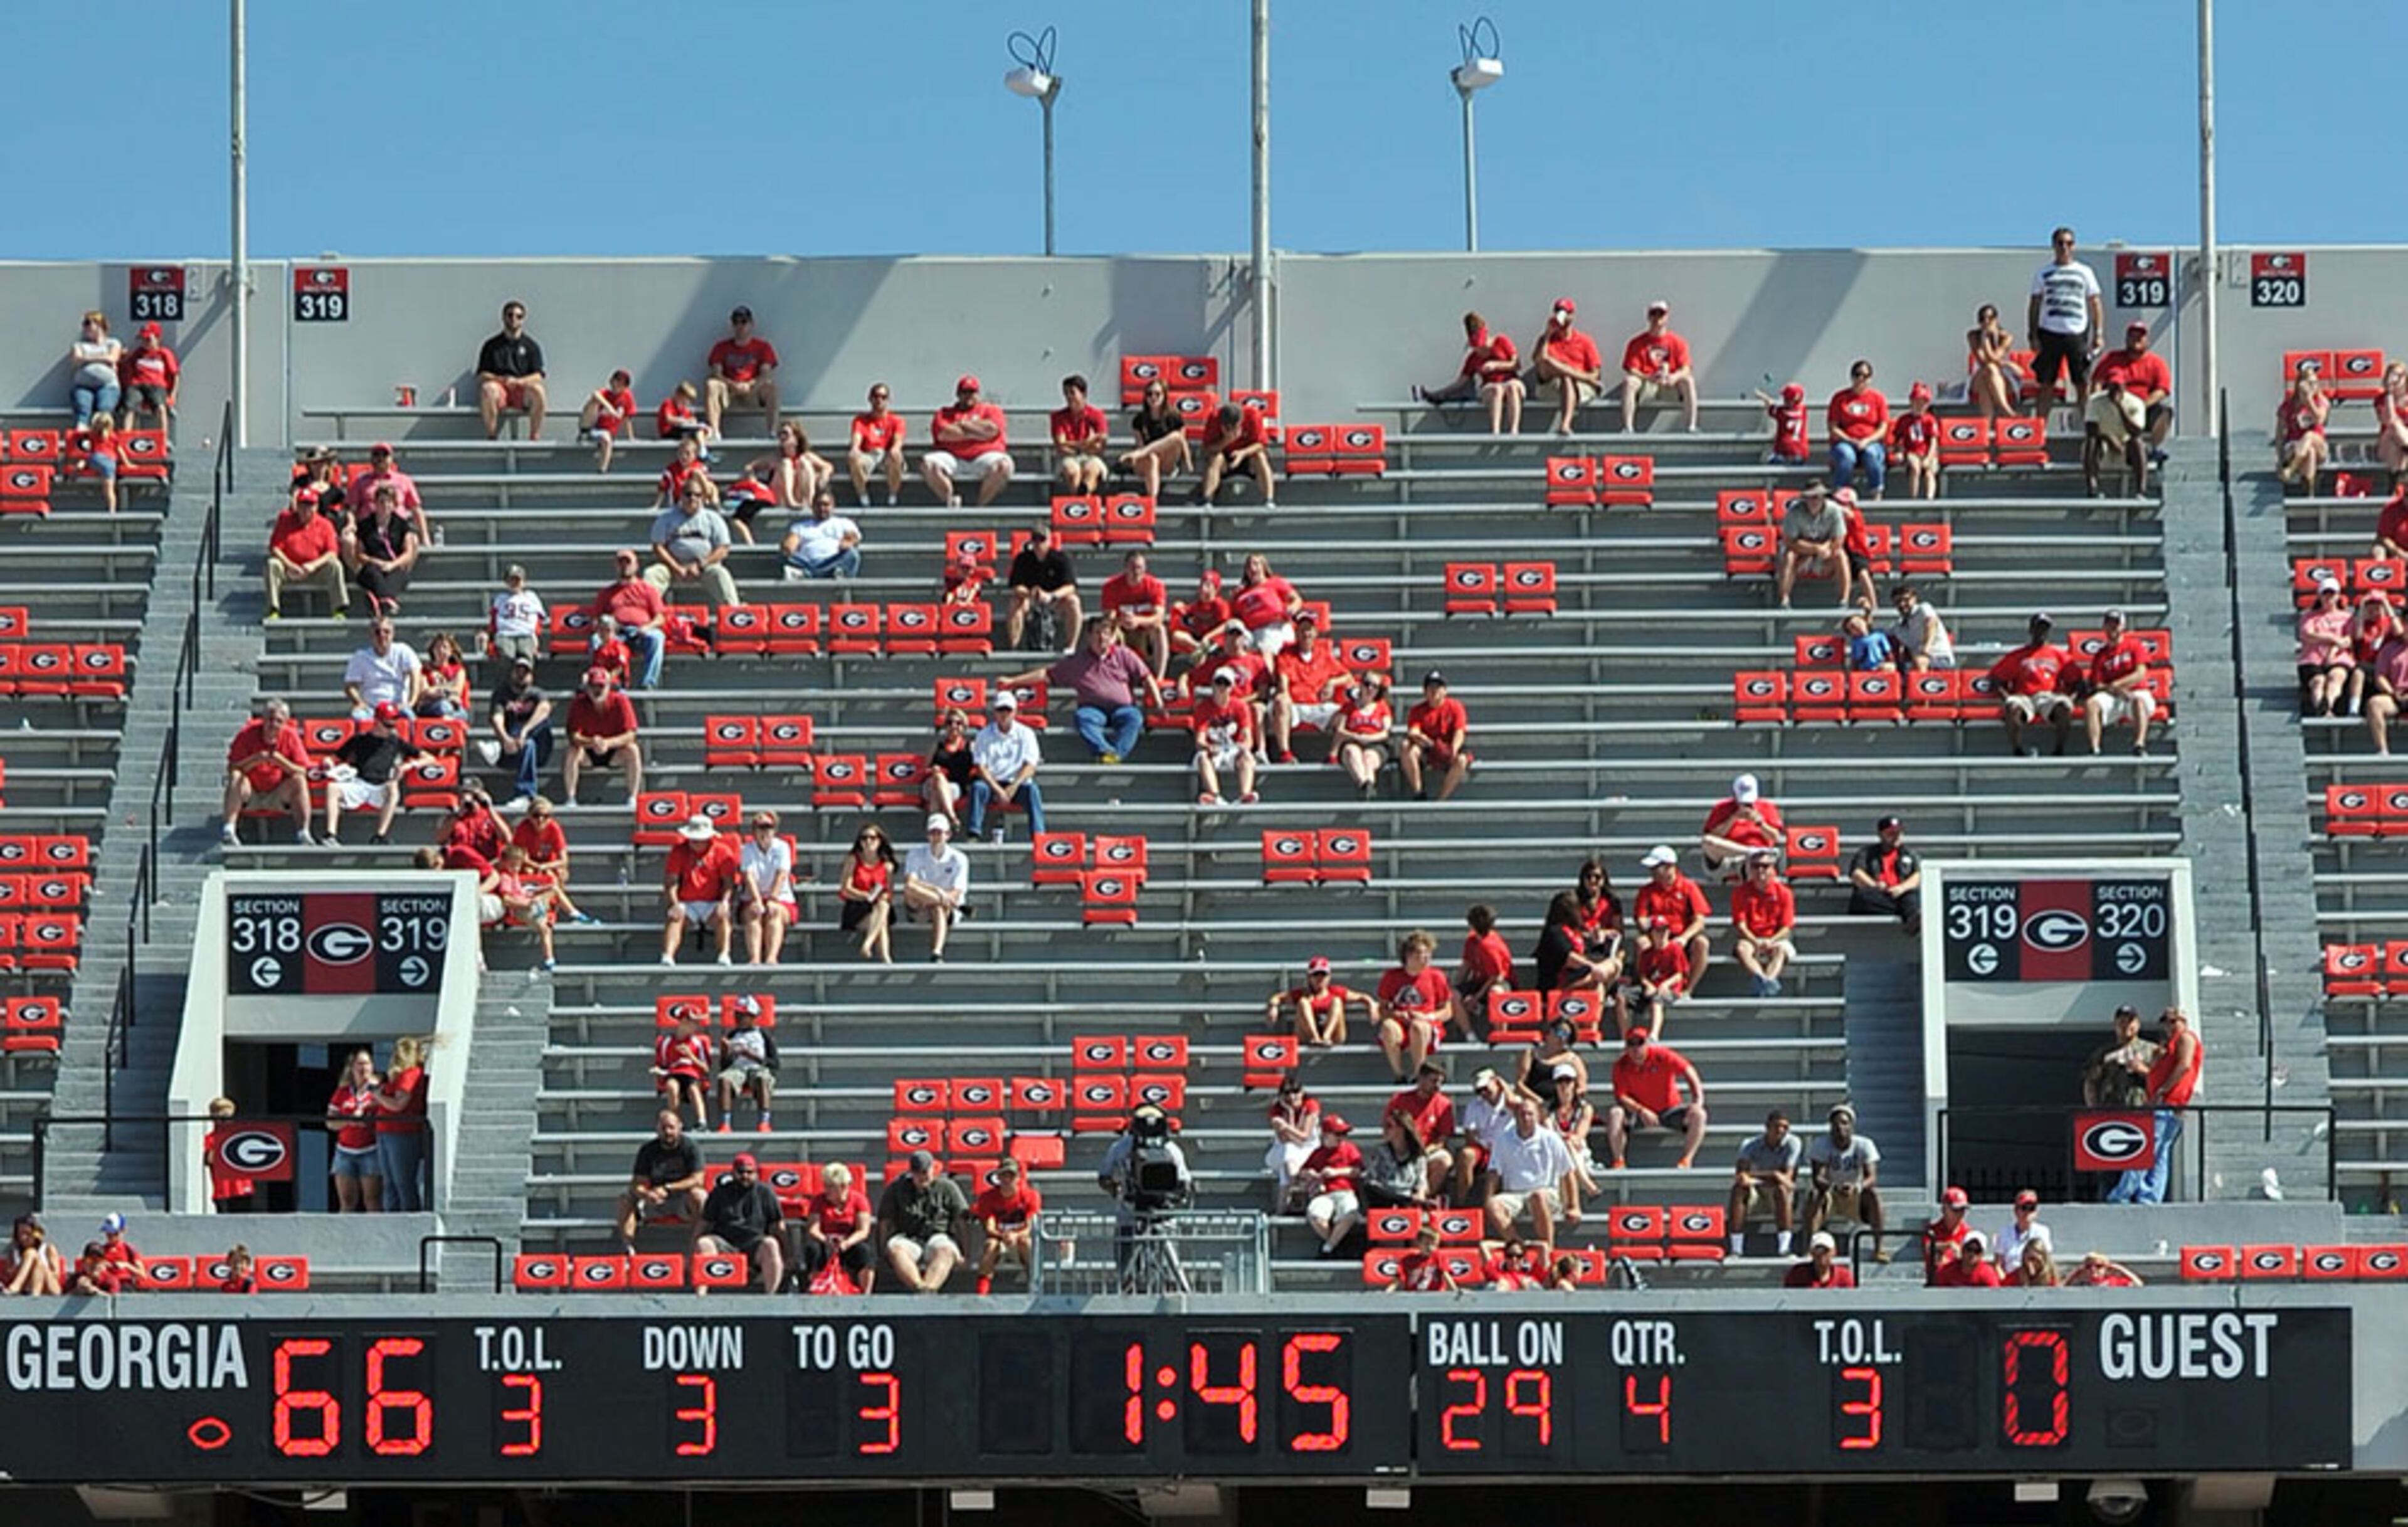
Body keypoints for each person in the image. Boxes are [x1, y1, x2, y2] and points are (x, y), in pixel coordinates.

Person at [1004, 618, 1161, 765]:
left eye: (1106, 633)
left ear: (1113, 636)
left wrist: (1159, 705)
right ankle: (1105, 752)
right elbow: (1047, 674)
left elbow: (1147, 677)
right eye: (1097, 633)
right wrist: (1013, 681)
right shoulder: (1078, 661)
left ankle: (1116, 756)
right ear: (1089, 637)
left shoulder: (1125, 655)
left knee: (1134, 718)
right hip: (1093, 709)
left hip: (1123, 709)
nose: (1102, 638)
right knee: (1083, 717)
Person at [2106, 1008, 2202, 1206]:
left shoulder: (2185, 1038)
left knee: (2146, 1148)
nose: (2169, 1026)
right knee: (2159, 1153)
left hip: (2168, 1102)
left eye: (2173, 1021)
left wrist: (2162, 1090)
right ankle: (2150, 1196)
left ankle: (2122, 1193)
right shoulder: (2168, 1046)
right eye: (2166, 1022)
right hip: (2165, 1103)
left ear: (2183, 1021)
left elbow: (2184, 1065)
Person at [1602, 1027, 1708, 1170]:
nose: (1636, 1049)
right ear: (1626, 1047)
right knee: (1615, 1113)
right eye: (1632, 1044)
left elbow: (1689, 1071)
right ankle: (1619, 1160)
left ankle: (1686, 1160)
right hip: (1639, 1113)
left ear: (1647, 1044)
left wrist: (1698, 1101)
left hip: (1670, 1109)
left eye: (1640, 1043)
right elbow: (1621, 1097)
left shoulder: (1662, 1055)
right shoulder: (1621, 1066)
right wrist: (1641, 1110)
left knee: (1699, 1115)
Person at [2088, 322, 2175, 493]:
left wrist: (2142, 405)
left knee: (2165, 412)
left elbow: (2163, 390)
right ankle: (2092, 486)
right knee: (2092, 434)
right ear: (2126, 338)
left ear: (2147, 340)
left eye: (2140, 336)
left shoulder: (2156, 363)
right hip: (2112, 406)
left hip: (2140, 408)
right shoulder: (2112, 359)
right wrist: (2098, 400)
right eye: (2133, 336)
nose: (2136, 340)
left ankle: (2152, 448)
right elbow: (2097, 381)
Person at [321, 702, 425, 845]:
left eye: (394, 724)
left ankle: (380, 835)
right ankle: (330, 834)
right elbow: (335, 757)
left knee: (393, 788)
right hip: (359, 783)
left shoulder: (396, 742)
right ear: (377, 722)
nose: (392, 728)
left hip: (381, 786)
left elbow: (428, 758)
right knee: (332, 788)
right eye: (388, 725)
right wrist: (329, 762)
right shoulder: (359, 739)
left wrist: (410, 765)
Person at [2027, 226, 2104, 416]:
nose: (2064, 248)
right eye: (2060, 243)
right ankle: (2041, 429)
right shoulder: (2044, 273)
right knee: (2047, 384)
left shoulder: (2084, 272)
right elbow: (2035, 304)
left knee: (2081, 383)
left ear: (2074, 246)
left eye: (2069, 243)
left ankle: (2086, 428)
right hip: (2049, 332)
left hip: (2076, 333)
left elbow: (2095, 303)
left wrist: (2099, 333)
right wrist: (2033, 334)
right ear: (2053, 246)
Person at [220, 697, 314, 847]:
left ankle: (304, 833)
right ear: (263, 719)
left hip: (278, 792)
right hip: (250, 792)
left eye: (278, 721)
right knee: (236, 776)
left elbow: (303, 770)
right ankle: (229, 830)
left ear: (285, 722)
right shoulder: (247, 734)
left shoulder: (290, 736)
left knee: (299, 781)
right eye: (270, 720)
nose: (273, 725)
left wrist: (281, 762)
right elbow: (232, 766)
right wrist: (255, 760)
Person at [1485, 1094, 1577, 1246]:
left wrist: (1574, 1206)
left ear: (1538, 1116)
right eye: (1522, 1114)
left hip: (1546, 1193)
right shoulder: (1503, 1139)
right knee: (1493, 1205)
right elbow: (1494, 1172)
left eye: (1530, 1114)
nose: (1526, 1118)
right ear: (1515, 1116)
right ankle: (1517, 1246)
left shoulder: (1551, 1139)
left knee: (1538, 1197)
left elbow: (1568, 1171)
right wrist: (1488, 1200)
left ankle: (1547, 1251)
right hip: (1515, 1195)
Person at [615, 1111, 709, 1254]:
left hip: (682, 1201)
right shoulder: (648, 1150)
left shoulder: (691, 1147)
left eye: (671, 1127)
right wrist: (646, 1194)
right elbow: (637, 1183)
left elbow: (698, 1179)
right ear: (657, 1129)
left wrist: (668, 1188)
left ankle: (696, 1248)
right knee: (625, 1199)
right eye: (664, 1128)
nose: (668, 1132)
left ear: (680, 1127)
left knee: (700, 1196)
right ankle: (628, 1249)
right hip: (655, 1201)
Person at [1415, 310, 1524, 433]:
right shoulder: (1473, 358)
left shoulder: (1502, 342)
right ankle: (1495, 431)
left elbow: (1517, 364)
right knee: (1496, 390)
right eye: (1475, 347)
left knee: (1512, 387)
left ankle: (1514, 430)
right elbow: (1461, 381)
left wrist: (1496, 366)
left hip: (1510, 381)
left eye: (1481, 346)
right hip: (1491, 386)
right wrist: (1439, 394)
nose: (1479, 350)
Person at [879, 1149, 971, 1293]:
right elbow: (884, 1221)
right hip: (907, 1236)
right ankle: (919, 1288)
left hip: (938, 1236)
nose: (922, 1177)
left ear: (932, 1168)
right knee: (896, 1250)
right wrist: (882, 1252)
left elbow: (961, 1221)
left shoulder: (947, 1188)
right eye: (917, 1173)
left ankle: (929, 1290)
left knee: (946, 1251)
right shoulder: (897, 1188)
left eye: (925, 1172)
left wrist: (965, 1253)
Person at [694, 1153, 785, 1293]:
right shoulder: (719, 1192)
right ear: (733, 1172)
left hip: (754, 1243)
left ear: (756, 1173)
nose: (746, 1176)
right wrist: (691, 1248)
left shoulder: (766, 1193)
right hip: (724, 1242)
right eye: (741, 1172)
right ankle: (701, 1297)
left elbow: (778, 1225)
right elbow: (705, 1223)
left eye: (750, 1172)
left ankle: (771, 1297)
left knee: (771, 1244)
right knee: (704, 1243)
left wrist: (788, 1254)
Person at [1805, 1104, 1886, 1262]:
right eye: (1836, 1124)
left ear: (1852, 1126)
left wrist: (1857, 1186)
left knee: (1874, 1195)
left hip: (1855, 1193)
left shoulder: (1864, 1144)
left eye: (1844, 1123)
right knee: (1814, 1195)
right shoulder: (1821, 1144)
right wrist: (1834, 1187)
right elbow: (1818, 1177)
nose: (1840, 1127)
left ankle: (1879, 1249)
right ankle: (1809, 1249)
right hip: (1830, 1193)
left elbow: (1872, 1177)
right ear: (1830, 1127)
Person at [1988, 612, 2076, 757]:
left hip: (2049, 696)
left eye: (2044, 629)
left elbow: (2077, 682)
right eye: (2038, 628)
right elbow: (1996, 679)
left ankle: (2059, 751)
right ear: (2031, 630)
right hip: (2024, 696)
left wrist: (2071, 699)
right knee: (2012, 708)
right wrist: (2006, 697)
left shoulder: (2060, 656)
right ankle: (2017, 750)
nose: (2041, 632)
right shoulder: (2018, 656)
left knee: (2064, 708)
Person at [648, 475, 741, 608]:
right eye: (688, 494)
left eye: (698, 495)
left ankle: (734, 614)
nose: (693, 498)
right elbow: (658, 547)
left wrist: (701, 565)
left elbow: (723, 548)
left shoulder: (713, 519)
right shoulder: (666, 518)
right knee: (652, 574)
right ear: (681, 496)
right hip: (673, 567)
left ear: (703, 498)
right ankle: (645, 614)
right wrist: (677, 567)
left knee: (721, 574)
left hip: (705, 566)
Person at [1269, 611, 1350, 763]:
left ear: (1315, 633)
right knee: (1281, 700)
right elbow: (1283, 680)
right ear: (1296, 633)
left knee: (1346, 711)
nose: (1306, 634)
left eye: (1309, 630)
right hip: (1296, 706)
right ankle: (1285, 752)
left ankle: (1333, 754)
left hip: (1318, 705)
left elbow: (1347, 676)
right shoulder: (1286, 654)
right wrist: (1285, 693)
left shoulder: (1324, 655)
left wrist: (1332, 683)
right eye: (1302, 630)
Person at [1376, 931, 1456, 1080]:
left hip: (1426, 1024)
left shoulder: (1436, 976)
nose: (1425, 958)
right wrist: (1396, 1015)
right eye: (1420, 953)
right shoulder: (1392, 977)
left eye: (1428, 953)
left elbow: (1448, 1010)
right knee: (1388, 1026)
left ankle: (1420, 1073)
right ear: (1408, 955)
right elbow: (1382, 1009)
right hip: (1401, 1022)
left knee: (1418, 1027)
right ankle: (1398, 1074)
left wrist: (1428, 1016)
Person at [662, 815, 740, 967]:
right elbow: (671, 882)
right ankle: (668, 955)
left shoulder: (722, 852)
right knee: (675, 918)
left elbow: (728, 884)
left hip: (713, 901)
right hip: (686, 901)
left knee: (723, 916)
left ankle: (724, 953)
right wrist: (675, 903)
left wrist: (725, 902)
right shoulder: (678, 851)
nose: (695, 842)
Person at [966, 690, 1045, 840]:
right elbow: (981, 767)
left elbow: (1030, 766)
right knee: (978, 788)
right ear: (995, 712)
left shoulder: (1026, 734)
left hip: (1017, 784)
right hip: (992, 784)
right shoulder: (983, 735)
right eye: (1000, 710)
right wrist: (998, 790)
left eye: (1008, 710)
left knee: (1032, 791)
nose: (1004, 714)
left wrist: (1013, 787)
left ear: (1015, 712)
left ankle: (1038, 837)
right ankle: (973, 834)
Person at [924, 374, 1013, 507]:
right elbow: (944, 434)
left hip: (984, 457)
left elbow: (992, 430)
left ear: (978, 394)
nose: (969, 396)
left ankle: (980, 506)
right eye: (965, 392)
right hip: (952, 457)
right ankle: (950, 501)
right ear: (958, 395)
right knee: (928, 464)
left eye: (972, 392)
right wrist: (979, 433)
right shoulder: (944, 413)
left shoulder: (992, 410)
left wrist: (963, 425)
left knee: (1004, 466)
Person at [561, 666, 644, 805]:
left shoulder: (621, 701)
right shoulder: (579, 703)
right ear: (587, 687)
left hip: (615, 750)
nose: (597, 690)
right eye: (593, 686)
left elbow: (631, 734)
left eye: (601, 686)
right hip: (588, 750)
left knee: (633, 750)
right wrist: (591, 742)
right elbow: (572, 735)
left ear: (609, 687)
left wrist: (608, 743)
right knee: (571, 752)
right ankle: (571, 798)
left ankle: (632, 797)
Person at [1634, 843, 1714, 986]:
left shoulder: (1689, 887)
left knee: (1702, 943)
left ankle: (1688, 989)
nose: (1651, 872)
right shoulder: (1647, 891)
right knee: (1642, 943)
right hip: (1657, 935)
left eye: (1655, 868)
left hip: (1682, 936)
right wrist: (1655, 932)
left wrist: (1684, 938)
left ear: (1670, 867)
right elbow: (1641, 919)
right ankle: (1648, 985)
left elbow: (1700, 920)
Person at [589, 549, 671, 690]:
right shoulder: (606, 593)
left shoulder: (648, 590)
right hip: (616, 634)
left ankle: (648, 683)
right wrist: (606, 630)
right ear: (616, 566)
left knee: (657, 637)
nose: (624, 566)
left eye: (628, 562)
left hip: (640, 633)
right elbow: (595, 620)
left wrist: (648, 627)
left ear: (636, 565)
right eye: (621, 562)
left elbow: (661, 617)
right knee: (596, 639)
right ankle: (600, 681)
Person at [265, 487, 347, 620]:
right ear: (297, 506)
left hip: (316, 571)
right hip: (290, 571)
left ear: (316, 507)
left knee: (335, 566)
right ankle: (273, 609)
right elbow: (275, 548)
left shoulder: (325, 524)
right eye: (303, 505)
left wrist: (313, 565)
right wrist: (290, 565)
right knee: (272, 564)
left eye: (310, 506)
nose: (306, 510)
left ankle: (339, 609)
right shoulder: (285, 519)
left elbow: (332, 552)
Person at [2083, 607, 2157, 755]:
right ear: (2104, 627)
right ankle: (2095, 749)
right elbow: (2097, 683)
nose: (2113, 629)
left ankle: (2139, 745)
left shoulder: (2135, 646)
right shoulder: (2101, 655)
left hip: (2136, 690)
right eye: (2109, 624)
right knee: (2091, 704)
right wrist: (2115, 689)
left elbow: (2140, 674)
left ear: (2123, 627)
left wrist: (2118, 685)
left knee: (2138, 701)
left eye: (2116, 624)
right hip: (2112, 695)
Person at [1728, 1111, 1802, 1256]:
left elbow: (1787, 1180)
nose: (1781, 1131)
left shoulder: (1793, 1143)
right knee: (1738, 1190)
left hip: (1779, 1193)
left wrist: (1755, 1176)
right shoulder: (1750, 1144)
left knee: (1782, 1189)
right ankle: (1736, 1249)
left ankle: (1785, 1248)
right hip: (1758, 1191)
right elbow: (1741, 1176)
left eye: (1785, 1127)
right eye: (1777, 1126)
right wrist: (1774, 1174)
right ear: (1767, 1127)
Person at [483, 656, 553, 806]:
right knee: (528, 745)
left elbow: (545, 708)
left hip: (540, 751)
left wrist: (524, 731)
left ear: (531, 676)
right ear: (512, 673)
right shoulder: (502, 693)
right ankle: (526, 795)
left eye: (525, 672)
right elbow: (497, 718)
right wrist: (505, 739)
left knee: (542, 723)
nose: (521, 675)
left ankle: (497, 749)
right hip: (511, 750)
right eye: (518, 671)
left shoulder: (537, 693)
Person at [1619, 300, 1698, 433]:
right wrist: (1648, 377)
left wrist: (1674, 377)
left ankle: (1691, 427)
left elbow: (1686, 368)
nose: (1657, 318)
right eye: (1654, 314)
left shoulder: (1677, 342)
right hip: (1647, 385)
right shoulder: (1637, 343)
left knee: (1688, 381)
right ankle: (1628, 428)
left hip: (1670, 385)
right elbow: (1631, 369)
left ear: (1667, 317)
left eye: (1661, 314)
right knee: (1629, 381)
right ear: (1648, 317)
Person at [374, 1036, 433, 1212]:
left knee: (402, 1181)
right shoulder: (401, 1076)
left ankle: (409, 1216)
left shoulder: (410, 1074)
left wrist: (378, 1096)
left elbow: (400, 1104)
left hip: (401, 1133)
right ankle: (392, 1217)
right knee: (390, 1182)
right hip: (386, 1131)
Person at [798, 1161, 877, 1293]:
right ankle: (817, 1289)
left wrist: (847, 1243)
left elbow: (863, 1231)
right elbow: (813, 1229)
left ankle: (866, 1293)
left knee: (865, 1253)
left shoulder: (859, 1200)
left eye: (831, 1187)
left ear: (843, 1187)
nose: (826, 1190)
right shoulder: (819, 1201)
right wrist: (825, 1240)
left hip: (849, 1242)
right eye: (826, 1186)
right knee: (813, 1250)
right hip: (826, 1241)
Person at [901, 814, 970, 963]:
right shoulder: (915, 854)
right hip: (921, 904)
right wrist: (938, 892)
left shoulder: (959, 858)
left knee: (939, 907)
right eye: (933, 833)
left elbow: (957, 892)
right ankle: (937, 952)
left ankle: (936, 952)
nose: (936, 837)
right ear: (927, 835)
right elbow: (910, 883)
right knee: (910, 889)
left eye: (940, 833)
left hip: (945, 906)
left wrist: (937, 897)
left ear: (948, 835)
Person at [475, 300, 548, 439]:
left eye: (519, 316)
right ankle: (492, 436)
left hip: (522, 390)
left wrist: (519, 381)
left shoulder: (531, 346)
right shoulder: (491, 345)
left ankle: (534, 436)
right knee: (488, 389)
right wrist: (501, 380)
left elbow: (539, 375)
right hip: (500, 390)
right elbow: (482, 375)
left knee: (539, 390)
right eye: (510, 315)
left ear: (523, 320)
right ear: (503, 317)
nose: (514, 319)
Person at [703, 306, 780, 437]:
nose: (740, 326)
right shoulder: (721, 347)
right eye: (736, 322)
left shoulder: (763, 347)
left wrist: (750, 384)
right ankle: (715, 432)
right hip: (729, 391)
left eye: (744, 322)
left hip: (753, 391)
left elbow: (765, 373)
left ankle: (772, 432)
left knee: (771, 387)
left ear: (751, 324)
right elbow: (716, 373)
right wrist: (734, 385)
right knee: (711, 385)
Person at [1730, 850, 1798, 998]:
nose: (1761, 870)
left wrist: (1771, 941)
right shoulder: (1740, 892)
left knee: (1780, 951)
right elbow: (1741, 925)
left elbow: (1786, 927)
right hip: (1751, 938)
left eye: (1765, 866)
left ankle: (1765, 984)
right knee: (1743, 948)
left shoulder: (1784, 893)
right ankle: (1765, 981)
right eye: (1756, 866)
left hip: (1776, 938)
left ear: (1773, 869)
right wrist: (1755, 941)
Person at [971, 1156, 1044, 1295]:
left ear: (1018, 1178)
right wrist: (1003, 1236)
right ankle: (982, 1292)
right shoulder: (988, 1198)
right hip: (1001, 1239)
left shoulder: (1030, 1196)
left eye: (1011, 1176)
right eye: (1004, 1175)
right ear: (998, 1177)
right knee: (991, 1245)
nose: (1007, 1180)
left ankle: (1034, 1283)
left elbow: (1030, 1227)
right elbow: (990, 1227)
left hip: (1020, 1239)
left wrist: (1015, 1235)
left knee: (1026, 1243)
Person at [1295, 1116, 1366, 1256]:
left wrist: (1336, 1172)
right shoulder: (1318, 1153)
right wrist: (1310, 1173)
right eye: (1338, 1134)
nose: (1342, 1138)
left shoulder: (1349, 1149)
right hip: (1324, 1193)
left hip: (1345, 1191)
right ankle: (1337, 1245)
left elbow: (1358, 1171)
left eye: (1344, 1134)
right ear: (1326, 1135)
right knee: (1316, 1215)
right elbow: (1302, 1172)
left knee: (1350, 1213)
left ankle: (1328, 1248)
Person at [1005, 522, 1082, 653]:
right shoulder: (1022, 559)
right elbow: (1016, 586)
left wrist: (1052, 595)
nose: (1038, 544)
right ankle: (1014, 646)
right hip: (1031, 599)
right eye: (1035, 539)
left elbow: (1070, 586)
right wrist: (1030, 594)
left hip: (1054, 600)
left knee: (1073, 602)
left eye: (1042, 539)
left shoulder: (1061, 559)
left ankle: (1071, 646)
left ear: (1050, 540)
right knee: (1015, 603)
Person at [1531, 298, 1603, 435]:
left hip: (1580, 387)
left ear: (1572, 316)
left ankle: (1565, 425)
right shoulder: (1546, 340)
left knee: (1566, 378)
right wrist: (1548, 335)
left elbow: (1595, 374)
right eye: (1558, 312)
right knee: (1551, 365)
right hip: (1551, 386)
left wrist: (1582, 378)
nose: (1562, 316)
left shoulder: (1584, 341)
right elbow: (1540, 363)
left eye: (1566, 312)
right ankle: (1565, 424)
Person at [1190, 665, 1260, 806]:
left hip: (1233, 750)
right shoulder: (1203, 708)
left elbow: (1248, 737)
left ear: (1232, 687)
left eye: (1226, 684)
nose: (1222, 687)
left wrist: (1243, 747)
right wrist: (1209, 747)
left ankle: (1245, 795)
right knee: (1203, 757)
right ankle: (1214, 795)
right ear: (1213, 685)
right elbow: (1200, 740)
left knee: (1247, 756)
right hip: (1214, 751)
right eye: (1219, 682)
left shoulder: (1240, 707)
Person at [1776, 480, 1852, 610]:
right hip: (1801, 553)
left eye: (1817, 497)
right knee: (1789, 556)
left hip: (1826, 553)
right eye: (1810, 497)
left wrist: (1826, 548)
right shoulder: (1794, 512)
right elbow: (1789, 541)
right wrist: (1814, 549)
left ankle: (1844, 600)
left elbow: (1839, 539)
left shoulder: (1834, 511)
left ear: (1823, 498)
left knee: (1841, 555)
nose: (1814, 501)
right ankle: (1784, 599)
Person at [1384, 1061, 1460, 1191]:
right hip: (1402, 1150)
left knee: (1444, 1160)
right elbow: (1388, 1129)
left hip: (1428, 1151)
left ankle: (1424, 1197)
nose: (1438, 1086)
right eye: (1434, 1081)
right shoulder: (1400, 1100)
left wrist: (1425, 1152)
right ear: (1421, 1079)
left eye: (1441, 1082)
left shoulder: (1444, 1104)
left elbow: (1442, 1138)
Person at [1400, 670, 1473, 802]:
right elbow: (1414, 732)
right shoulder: (1417, 710)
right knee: (1407, 747)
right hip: (1428, 748)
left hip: (1449, 745)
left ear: (1445, 690)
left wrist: (1453, 750)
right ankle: (1419, 791)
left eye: (1438, 687)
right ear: (1425, 691)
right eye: (1430, 688)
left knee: (1462, 760)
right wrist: (1429, 743)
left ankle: (1441, 799)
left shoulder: (1455, 707)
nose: (1434, 691)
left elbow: (1459, 731)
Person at [1097, 549, 1171, 679]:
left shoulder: (1155, 586)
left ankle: (1159, 678)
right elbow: (1109, 616)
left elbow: (1159, 616)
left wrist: (1138, 621)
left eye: (1140, 568)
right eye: (1132, 568)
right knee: (1108, 632)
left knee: (1160, 629)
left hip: (1145, 630)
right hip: (1122, 629)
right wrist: (1122, 621)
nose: (1136, 572)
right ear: (1125, 568)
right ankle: (1110, 676)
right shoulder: (1111, 586)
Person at [325, 1049, 384, 1212]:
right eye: (359, 1064)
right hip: (345, 1151)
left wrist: (367, 1116)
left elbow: (386, 1113)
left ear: (372, 1067)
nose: (363, 1068)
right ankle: (343, 1236)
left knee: (372, 1200)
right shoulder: (343, 1092)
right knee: (347, 1200)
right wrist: (350, 1120)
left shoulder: (379, 1091)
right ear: (352, 1068)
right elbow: (330, 1123)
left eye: (367, 1064)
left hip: (371, 1150)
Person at [1267, 954, 1368, 1049]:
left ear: (1329, 977)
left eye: (1323, 975)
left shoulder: (1336, 991)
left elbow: (1361, 997)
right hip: (1307, 1035)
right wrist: (1273, 1007)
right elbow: (1278, 997)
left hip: (1334, 1036)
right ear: (1309, 977)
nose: (1320, 979)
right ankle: (1315, 1037)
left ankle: (1326, 1037)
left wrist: (1371, 1004)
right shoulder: (1302, 993)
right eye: (1316, 975)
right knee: (1303, 1003)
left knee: (1337, 1001)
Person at [737, 811, 798, 966]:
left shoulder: (782, 847)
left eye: (768, 827)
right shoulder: (747, 849)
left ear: (774, 829)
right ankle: (755, 958)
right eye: (760, 827)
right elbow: (748, 877)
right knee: (753, 912)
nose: (764, 831)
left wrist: (772, 899)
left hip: (781, 898)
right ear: (754, 830)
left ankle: (772, 957)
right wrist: (758, 900)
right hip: (754, 896)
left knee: (775, 912)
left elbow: (782, 875)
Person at [1119, 376, 1194, 499]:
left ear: (1164, 396)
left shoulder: (1174, 417)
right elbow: (1140, 446)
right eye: (1150, 394)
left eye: (1157, 394)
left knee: (1176, 437)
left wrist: (1188, 464)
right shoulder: (1139, 420)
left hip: (1167, 461)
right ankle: (1152, 500)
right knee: (1152, 458)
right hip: (1147, 462)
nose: (1153, 398)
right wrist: (1142, 454)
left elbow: (1181, 442)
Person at [1846, 815, 1921, 933]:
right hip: (1880, 896)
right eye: (1891, 834)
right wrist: (1875, 885)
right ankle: (1907, 913)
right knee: (1862, 898)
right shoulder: (1867, 853)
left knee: (1911, 896)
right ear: (1881, 835)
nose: (1896, 837)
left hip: (1900, 895)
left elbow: (1917, 876)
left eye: (1899, 834)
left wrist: (1901, 888)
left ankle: (1912, 918)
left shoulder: (1909, 854)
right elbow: (1857, 874)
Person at [1827, 360, 1890, 500]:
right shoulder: (1840, 398)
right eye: (1857, 375)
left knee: (1872, 454)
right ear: (1852, 377)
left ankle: (1876, 492)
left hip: (1871, 441)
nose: (1861, 379)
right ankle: (1840, 493)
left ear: (1870, 379)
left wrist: (1867, 440)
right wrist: (1850, 440)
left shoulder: (1878, 399)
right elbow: (1833, 428)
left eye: (1865, 376)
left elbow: (1883, 428)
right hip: (1845, 441)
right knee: (1846, 455)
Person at [1531, 890, 1613, 997]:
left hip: (1577, 976)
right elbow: (1569, 958)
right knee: (1596, 981)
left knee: (1612, 966)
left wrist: (1597, 942)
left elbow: (1588, 953)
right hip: (1558, 984)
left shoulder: (1575, 932)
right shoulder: (1554, 932)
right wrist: (1594, 967)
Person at [1700, 770, 1785, 872]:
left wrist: (1760, 823)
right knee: (1708, 841)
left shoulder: (1767, 807)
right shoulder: (1721, 808)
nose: (1746, 806)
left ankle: (1752, 856)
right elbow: (1714, 836)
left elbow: (1775, 837)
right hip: (1729, 857)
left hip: (1760, 859)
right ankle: (1750, 852)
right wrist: (1733, 819)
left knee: (1757, 865)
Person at [342, 616, 423, 721]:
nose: (382, 636)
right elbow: (350, 686)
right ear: (371, 635)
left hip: (397, 707)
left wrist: (411, 703)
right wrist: (360, 702)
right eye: (377, 632)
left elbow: (416, 675)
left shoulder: (403, 651)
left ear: (393, 634)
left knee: (409, 717)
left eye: (386, 632)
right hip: (371, 708)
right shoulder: (360, 657)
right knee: (358, 717)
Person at [1196, 403, 1275, 507]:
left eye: (1234, 427)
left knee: (1260, 456)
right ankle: (1207, 500)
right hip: (1225, 460)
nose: (1231, 430)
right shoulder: (1214, 417)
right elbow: (1206, 449)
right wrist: (1226, 441)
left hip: (1247, 457)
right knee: (1215, 459)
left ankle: (1269, 500)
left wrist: (1243, 453)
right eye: (1228, 428)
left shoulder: (1253, 415)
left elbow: (1261, 444)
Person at [1331, 673, 1395, 799]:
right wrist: (1356, 736)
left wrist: (1368, 738)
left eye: (1375, 686)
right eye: (1367, 684)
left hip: (1376, 743)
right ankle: (1365, 785)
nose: (1370, 689)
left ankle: (1367, 787)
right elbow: (1340, 730)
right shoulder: (1349, 706)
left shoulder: (1382, 707)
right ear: (1361, 685)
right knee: (1352, 752)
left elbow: (1386, 732)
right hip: (1352, 741)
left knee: (1368, 758)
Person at [1264, 1074, 1323, 1210]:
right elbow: (1286, 1140)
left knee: (1286, 1171)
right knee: (1289, 1152)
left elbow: (1304, 1137)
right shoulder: (1277, 1110)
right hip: (1282, 1150)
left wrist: (1287, 1127)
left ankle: (1282, 1209)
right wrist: (1290, 1113)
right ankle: (1301, 1186)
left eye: (1296, 1092)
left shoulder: (1311, 1105)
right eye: (1287, 1094)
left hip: (1310, 1149)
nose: (1292, 1097)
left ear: (1302, 1092)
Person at [2300, 576, 2355, 717]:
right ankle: (2323, 710)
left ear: (2338, 596)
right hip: (2313, 659)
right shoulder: (2309, 617)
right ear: (2320, 596)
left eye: (2332, 594)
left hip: (2339, 658)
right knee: (2318, 681)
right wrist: (2333, 639)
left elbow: (2348, 640)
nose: (2329, 598)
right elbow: (2308, 635)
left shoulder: (2346, 617)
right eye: (2326, 594)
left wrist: (2333, 650)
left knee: (2336, 677)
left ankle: (2327, 705)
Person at [779, 489, 863, 581]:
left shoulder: (844, 523)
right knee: (783, 555)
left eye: (826, 505)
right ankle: (827, 574)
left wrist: (848, 542)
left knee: (852, 554)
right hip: (807, 562)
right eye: (818, 505)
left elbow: (852, 538)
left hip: (832, 561)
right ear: (812, 506)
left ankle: (806, 575)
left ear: (833, 506)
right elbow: (790, 544)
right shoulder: (800, 527)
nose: (822, 508)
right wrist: (789, 547)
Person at [2083, 1003, 2157, 1109]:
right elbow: (2091, 1082)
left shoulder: (2152, 1050)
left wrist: (2142, 1070)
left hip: (2142, 1109)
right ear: (2116, 1025)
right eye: (2122, 1022)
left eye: (2130, 1022)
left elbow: (2162, 1081)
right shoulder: (2104, 1053)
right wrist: (2094, 1109)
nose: (2126, 1026)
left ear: (2138, 1024)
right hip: (2111, 1109)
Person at [650, 1010, 714, 1129]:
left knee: (693, 1089)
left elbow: (706, 1068)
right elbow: (663, 1065)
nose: (697, 1025)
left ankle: (702, 1122)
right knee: (671, 1086)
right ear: (684, 1021)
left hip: (692, 1073)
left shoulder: (698, 1042)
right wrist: (659, 1071)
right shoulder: (667, 1042)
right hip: (674, 1072)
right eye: (694, 1022)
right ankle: (675, 1122)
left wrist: (691, 1056)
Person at [2275, 360, 2331, 494]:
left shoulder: (2321, 401)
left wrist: (2309, 402)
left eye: (2315, 383)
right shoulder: (2288, 406)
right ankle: (2308, 492)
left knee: (2310, 436)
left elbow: (2320, 419)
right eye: (2309, 383)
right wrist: (2280, 457)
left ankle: (2291, 469)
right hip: (2294, 445)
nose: (2313, 387)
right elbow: (2279, 434)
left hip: (2319, 444)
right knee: (2309, 452)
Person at [848, 383, 909, 507]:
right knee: (853, 458)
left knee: (896, 456)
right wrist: (855, 450)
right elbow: (856, 440)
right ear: (870, 399)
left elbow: (898, 441)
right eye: (876, 396)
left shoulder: (897, 421)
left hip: (887, 455)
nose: (879, 400)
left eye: (883, 397)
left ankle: (893, 496)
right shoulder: (860, 420)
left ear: (889, 400)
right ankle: (863, 496)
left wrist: (895, 450)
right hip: (869, 455)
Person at [1630, 917, 1691, 1037]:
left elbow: (1679, 975)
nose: (1662, 934)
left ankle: (1654, 1034)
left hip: (1671, 989)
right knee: (1623, 996)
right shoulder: (1647, 953)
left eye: (1665, 930)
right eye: (1658, 931)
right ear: (1651, 933)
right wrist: (1648, 985)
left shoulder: (1675, 949)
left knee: (1657, 999)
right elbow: (1643, 975)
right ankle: (1626, 1034)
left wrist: (1665, 984)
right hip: (1652, 987)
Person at [1049, 374, 1110, 493]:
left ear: (1083, 394)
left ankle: (1080, 502)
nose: (1068, 397)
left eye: (1072, 393)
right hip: (1068, 458)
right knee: (1072, 471)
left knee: (1091, 470)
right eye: (1066, 393)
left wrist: (1072, 444)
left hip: (1092, 457)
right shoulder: (1058, 417)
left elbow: (1100, 446)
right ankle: (1082, 503)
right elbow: (1061, 446)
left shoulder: (1097, 415)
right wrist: (1086, 443)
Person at [119, 321, 180, 435]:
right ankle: (126, 435)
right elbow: (127, 364)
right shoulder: (138, 353)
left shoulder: (164, 354)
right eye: (142, 339)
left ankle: (163, 436)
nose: (145, 343)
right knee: (130, 407)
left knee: (161, 408)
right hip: (137, 385)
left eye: (148, 339)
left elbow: (175, 374)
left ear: (158, 338)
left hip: (157, 385)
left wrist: (173, 395)